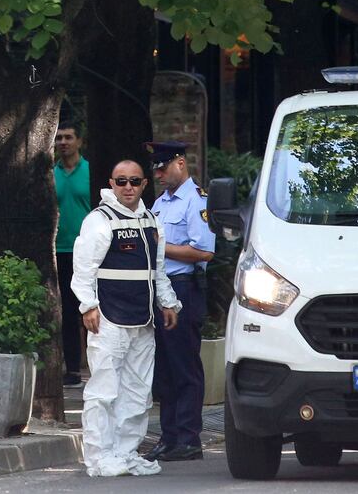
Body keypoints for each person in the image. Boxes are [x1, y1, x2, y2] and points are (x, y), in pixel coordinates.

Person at [71, 159, 182, 477]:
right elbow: (83, 269)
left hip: (143, 320)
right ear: (111, 183)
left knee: (137, 391)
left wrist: (168, 303)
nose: (128, 187)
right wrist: (88, 306)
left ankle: (124, 451)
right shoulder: (99, 220)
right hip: (109, 318)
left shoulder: (151, 221)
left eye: (134, 181)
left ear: (144, 184)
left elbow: (157, 270)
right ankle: (98, 456)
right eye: (121, 182)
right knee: (103, 389)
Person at [142, 142, 215, 462]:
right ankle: (169, 437)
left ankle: (188, 437)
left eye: (162, 168)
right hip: (161, 288)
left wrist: (161, 245)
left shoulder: (196, 201)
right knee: (165, 370)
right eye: (154, 169)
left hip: (184, 288)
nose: (157, 174)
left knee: (184, 366)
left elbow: (204, 252)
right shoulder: (160, 203)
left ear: (180, 164)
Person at [53, 121, 90, 388]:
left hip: (88, 251)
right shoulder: (50, 172)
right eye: (59, 138)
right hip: (60, 249)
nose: (63, 142)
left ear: (78, 141)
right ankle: (73, 369)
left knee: (90, 308)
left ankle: (96, 366)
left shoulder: (90, 171)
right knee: (66, 311)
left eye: (68, 137)